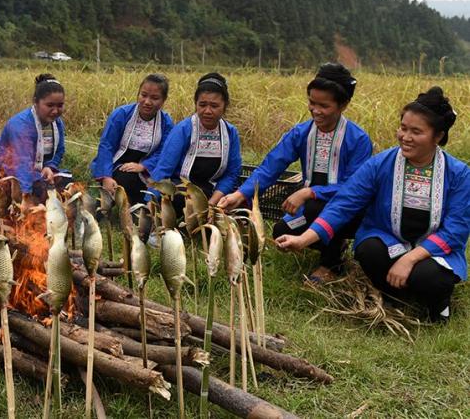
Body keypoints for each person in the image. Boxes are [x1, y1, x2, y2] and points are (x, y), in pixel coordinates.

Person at [276, 87, 468, 322]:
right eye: (403, 128)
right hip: (392, 240)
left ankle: (437, 303)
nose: (405, 137)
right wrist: (302, 239)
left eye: (416, 132)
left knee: (430, 277)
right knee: (370, 251)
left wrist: (409, 259)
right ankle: (394, 292)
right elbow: (344, 203)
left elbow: (456, 229)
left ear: (437, 136)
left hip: (431, 250)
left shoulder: (459, 174)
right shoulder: (381, 164)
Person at [219, 63, 372, 282]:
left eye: (324, 106)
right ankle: (331, 243)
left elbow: (353, 189)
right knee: (281, 230)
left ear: (343, 105)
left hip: (349, 212)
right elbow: (270, 167)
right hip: (310, 209)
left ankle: (331, 264)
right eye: (312, 102)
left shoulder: (358, 140)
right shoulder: (301, 133)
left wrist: (309, 192)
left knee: (315, 205)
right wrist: (240, 195)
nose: (315, 110)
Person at [148, 72, 241, 212]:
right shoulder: (183, 129)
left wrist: (212, 204)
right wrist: (151, 200)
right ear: (195, 104)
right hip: (182, 191)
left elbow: (231, 174)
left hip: (213, 192)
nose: (207, 111)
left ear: (225, 106)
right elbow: (164, 168)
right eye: (202, 105)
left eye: (214, 106)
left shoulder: (230, 132)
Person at [90, 74, 174, 204]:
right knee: (125, 179)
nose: (147, 102)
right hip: (116, 164)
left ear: (163, 100)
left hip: (145, 170)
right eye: (143, 95)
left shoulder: (166, 122)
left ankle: (134, 209)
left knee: (161, 189)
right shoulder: (121, 114)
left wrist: (143, 166)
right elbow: (107, 146)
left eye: (155, 98)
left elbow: (164, 151)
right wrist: (106, 176)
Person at [0, 74, 67, 197]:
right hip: (11, 174)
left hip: (36, 173)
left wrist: (49, 167)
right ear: (36, 102)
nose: (55, 111)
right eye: (50, 105)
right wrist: (26, 196)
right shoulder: (21, 125)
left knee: (69, 185)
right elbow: (22, 164)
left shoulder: (57, 123)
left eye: (60, 105)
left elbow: (59, 151)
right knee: (37, 196)